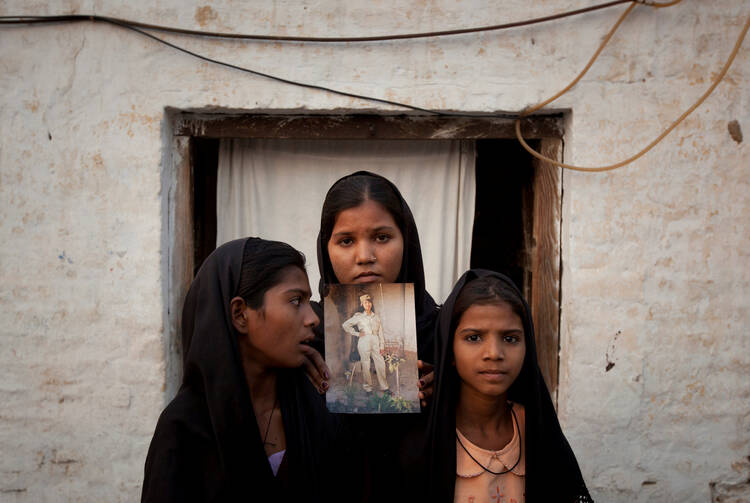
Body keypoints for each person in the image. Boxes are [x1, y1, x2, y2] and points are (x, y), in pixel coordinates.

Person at [141, 237, 358, 502]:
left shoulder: (314, 407)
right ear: (241, 314)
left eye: (308, 300)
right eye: (295, 301)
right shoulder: (185, 429)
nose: (312, 318)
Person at [410, 269, 592, 502]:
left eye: (510, 338)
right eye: (474, 337)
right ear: (450, 349)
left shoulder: (535, 429)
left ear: (528, 349)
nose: (494, 353)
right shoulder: (424, 439)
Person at [342, 293, 389, 392]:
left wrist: (382, 346)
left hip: (375, 341)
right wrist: (357, 333)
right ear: (362, 304)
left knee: (380, 364)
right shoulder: (359, 317)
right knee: (366, 365)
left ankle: (384, 387)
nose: (368, 304)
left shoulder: (376, 317)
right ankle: (368, 388)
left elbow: (380, 332)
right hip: (364, 342)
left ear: (371, 304)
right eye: (365, 303)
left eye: (369, 302)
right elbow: (345, 325)